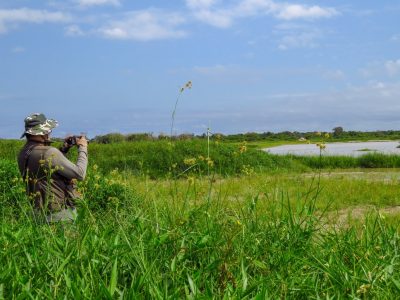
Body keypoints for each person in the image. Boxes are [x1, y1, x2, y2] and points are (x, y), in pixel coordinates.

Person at [17, 113, 88, 222]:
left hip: (36, 213)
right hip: (59, 215)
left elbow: (47, 167)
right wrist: (83, 148)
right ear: (42, 132)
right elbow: (80, 173)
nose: (50, 132)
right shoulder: (49, 152)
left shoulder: (23, 152)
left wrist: (64, 149)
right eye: (48, 130)